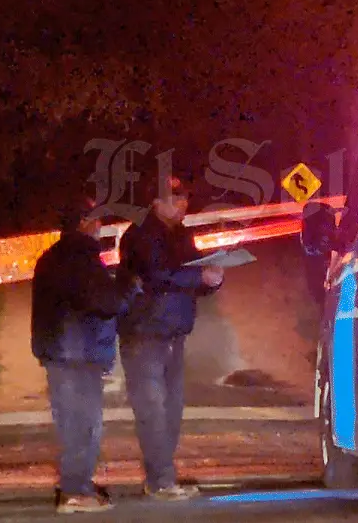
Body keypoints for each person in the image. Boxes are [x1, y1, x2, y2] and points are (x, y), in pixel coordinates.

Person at [117, 173, 223, 501]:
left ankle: (162, 476)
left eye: (184, 197)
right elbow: (157, 274)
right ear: (155, 202)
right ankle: (161, 480)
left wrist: (211, 279)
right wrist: (197, 275)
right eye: (175, 198)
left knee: (172, 410)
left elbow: (188, 279)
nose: (183, 204)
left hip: (173, 335)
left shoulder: (180, 236)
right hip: (145, 335)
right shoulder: (141, 235)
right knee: (153, 411)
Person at [31, 193, 135, 514]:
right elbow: (105, 302)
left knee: (73, 424)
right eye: (96, 218)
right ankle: (75, 491)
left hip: (62, 352)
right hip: (78, 354)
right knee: (83, 427)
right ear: (83, 222)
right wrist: (128, 287)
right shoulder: (81, 259)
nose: (100, 225)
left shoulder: (53, 256)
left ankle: (77, 485)